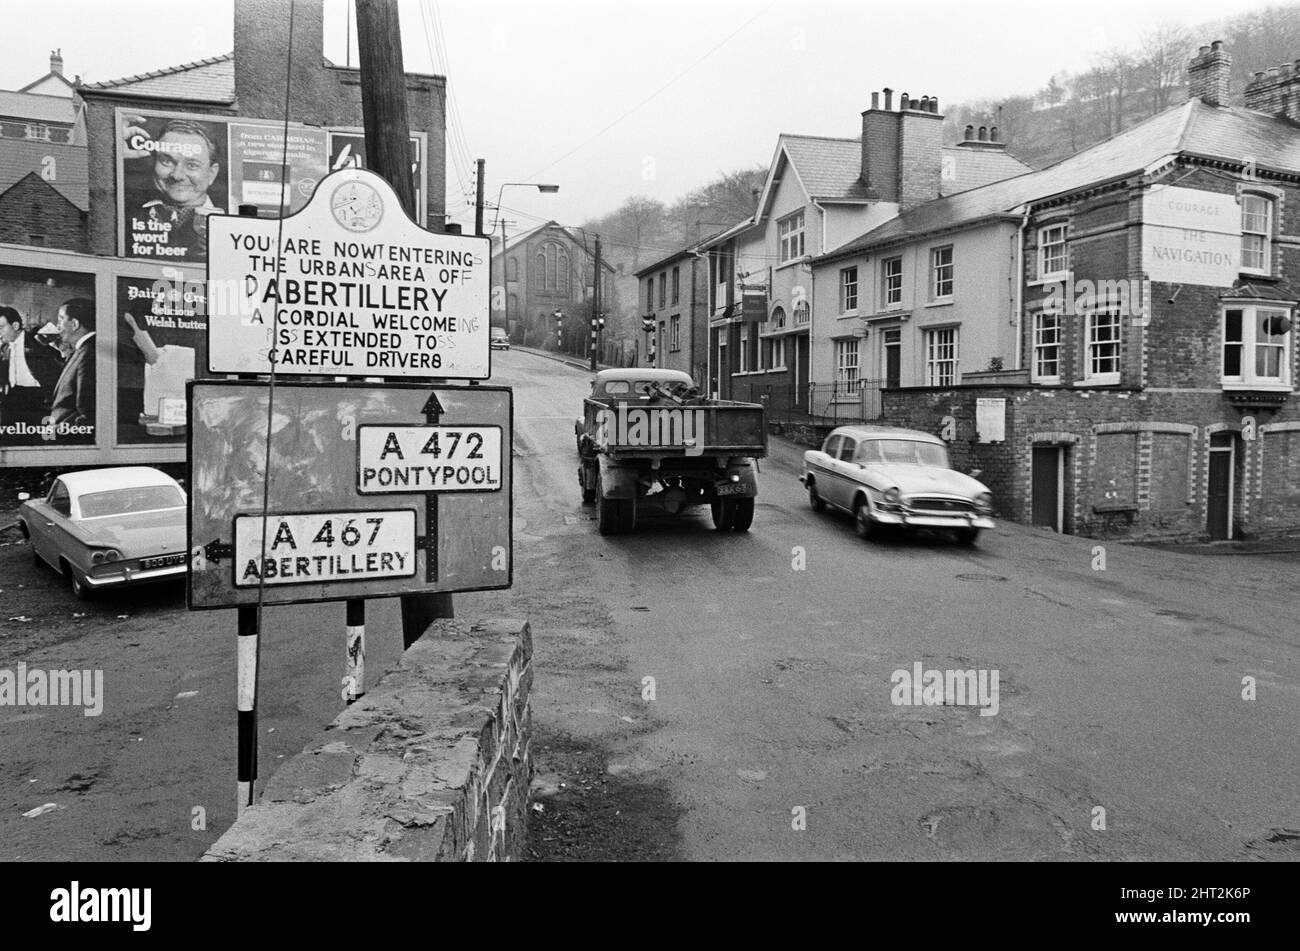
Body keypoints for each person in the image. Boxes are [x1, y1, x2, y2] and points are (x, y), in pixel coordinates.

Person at [130, 118, 224, 260]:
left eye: (192, 165)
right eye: (167, 161)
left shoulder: (231, 224)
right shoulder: (128, 217)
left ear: (212, 173)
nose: (177, 175)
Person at [0, 305, 60, 425]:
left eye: (0, 328)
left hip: (38, 398)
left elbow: (56, 368)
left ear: (15, 326)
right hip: (11, 397)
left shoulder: (38, 342)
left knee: (37, 438)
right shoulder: (5, 347)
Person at [47, 298, 96, 428]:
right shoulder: (82, 350)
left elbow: (86, 413)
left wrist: (55, 430)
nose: (57, 326)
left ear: (74, 324)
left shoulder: (89, 353)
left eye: (60, 320)